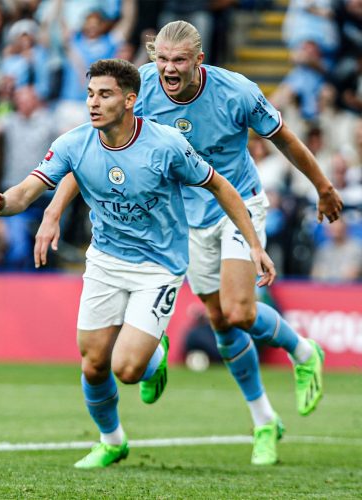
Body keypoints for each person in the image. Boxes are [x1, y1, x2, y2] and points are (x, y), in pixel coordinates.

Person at [33, 21, 343, 466]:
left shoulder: (237, 92)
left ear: (199, 60)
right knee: (220, 322)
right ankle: (264, 420)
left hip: (238, 203)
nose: (169, 69)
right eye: (161, 59)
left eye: (179, 60)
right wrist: (53, 211)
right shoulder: (139, 90)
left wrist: (323, 187)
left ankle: (303, 351)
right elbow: (90, 153)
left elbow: (285, 140)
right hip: (187, 217)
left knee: (239, 311)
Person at [0, 58, 276, 469]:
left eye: (105, 95)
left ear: (130, 100)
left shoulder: (166, 144)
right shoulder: (74, 143)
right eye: (90, 94)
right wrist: (2, 203)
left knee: (128, 368)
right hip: (106, 262)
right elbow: (27, 191)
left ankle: (152, 354)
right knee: (93, 364)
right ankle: (112, 440)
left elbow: (220, 185)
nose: (93, 103)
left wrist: (254, 244)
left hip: (159, 266)